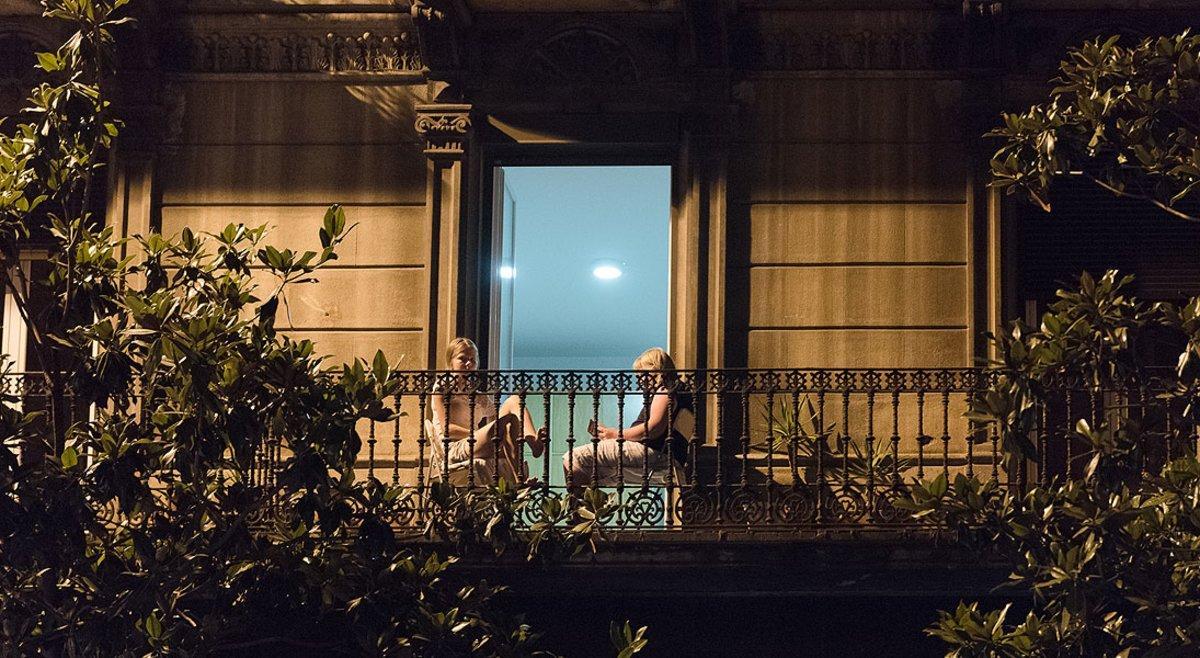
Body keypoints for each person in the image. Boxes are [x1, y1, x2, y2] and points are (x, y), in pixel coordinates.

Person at [563, 347, 694, 488]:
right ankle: (588, 506)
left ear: (655, 369)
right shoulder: (679, 392)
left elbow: (653, 428)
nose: (639, 381)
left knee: (572, 458)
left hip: (652, 452)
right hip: (665, 455)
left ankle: (582, 507)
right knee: (594, 472)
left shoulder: (665, 390)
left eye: (641, 375)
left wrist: (614, 434)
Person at [429, 337, 546, 485]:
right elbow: (448, 429)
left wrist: (499, 431)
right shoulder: (442, 387)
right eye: (462, 359)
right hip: (453, 448)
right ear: (450, 362)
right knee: (504, 426)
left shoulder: (478, 396)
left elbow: (501, 418)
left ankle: (533, 443)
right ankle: (519, 479)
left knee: (514, 401)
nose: (469, 364)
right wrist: (481, 433)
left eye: (473, 360)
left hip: (476, 443)